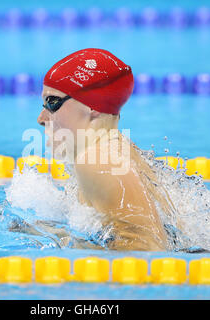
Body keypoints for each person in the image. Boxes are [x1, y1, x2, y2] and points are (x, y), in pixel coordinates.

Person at [37, 48, 177, 251]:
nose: (41, 118)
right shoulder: (118, 149)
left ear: (92, 106)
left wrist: (56, 239)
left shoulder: (96, 160)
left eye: (52, 102)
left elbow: (144, 253)